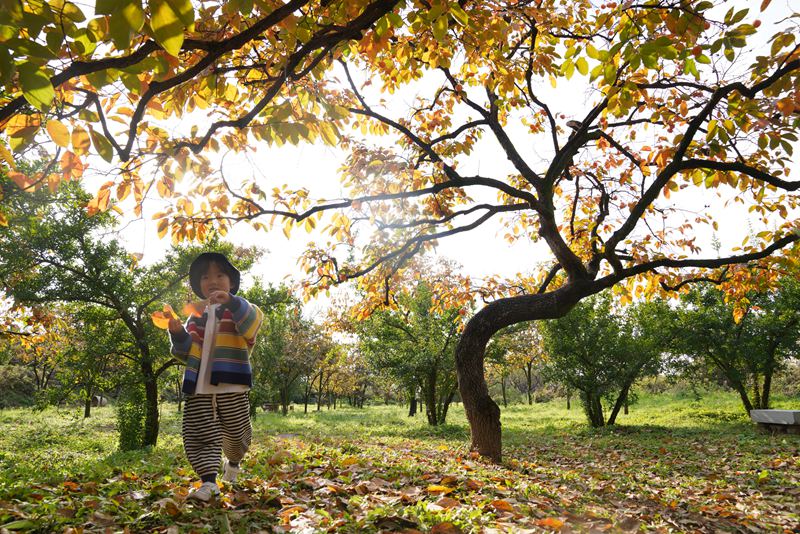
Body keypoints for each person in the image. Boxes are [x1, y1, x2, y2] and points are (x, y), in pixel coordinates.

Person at [167, 252, 264, 502]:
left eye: (220, 274)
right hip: (199, 385)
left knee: (237, 434)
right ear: (199, 285)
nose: (213, 280)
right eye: (206, 276)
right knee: (199, 433)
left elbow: (251, 326)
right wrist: (178, 333)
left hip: (232, 383)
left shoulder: (243, 309)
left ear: (231, 282)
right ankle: (209, 482)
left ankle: (233, 461)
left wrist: (231, 302)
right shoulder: (196, 315)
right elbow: (186, 352)